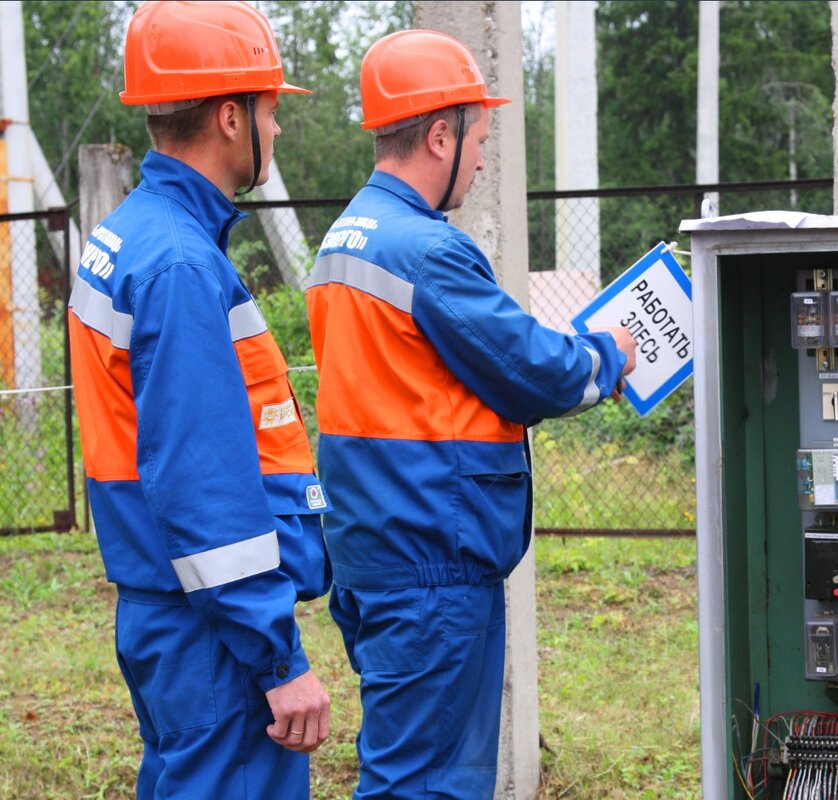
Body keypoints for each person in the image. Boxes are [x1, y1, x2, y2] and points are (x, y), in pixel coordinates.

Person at [306, 29, 637, 800]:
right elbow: (530, 371)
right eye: (480, 137)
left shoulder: (343, 239)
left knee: (415, 771)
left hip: (379, 547)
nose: (484, 160)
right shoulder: (424, 250)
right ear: (439, 133)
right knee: (427, 786)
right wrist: (609, 355)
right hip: (432, 561)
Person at [67, 2, 332, 797]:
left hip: (173, 615)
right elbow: (201, 482)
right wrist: (277, 658)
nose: (277, 130)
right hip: (214, 634)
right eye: (271, 110)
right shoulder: (180, 265)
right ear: (228, 116)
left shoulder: (131, 234)